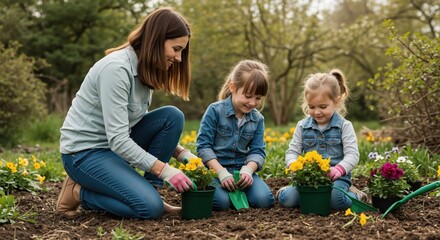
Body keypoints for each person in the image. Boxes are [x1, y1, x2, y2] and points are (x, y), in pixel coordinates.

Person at [55, 7, 198, 219]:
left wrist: (183, 154)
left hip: (112, 148)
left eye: (181, 52)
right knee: (148, 209)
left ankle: (150, 192)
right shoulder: (117, 69)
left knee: (172, 117)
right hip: (84, 153)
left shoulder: (145, 69)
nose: (178, 58)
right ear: (156, 41)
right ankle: (78, 192)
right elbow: (119, 140)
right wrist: (166, 170)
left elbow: (138, 122)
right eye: (176, 49)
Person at [277, 69, 367, 210]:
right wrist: (293, 164)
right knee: (287, 200)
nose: (317, 112)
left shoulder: (344, 126)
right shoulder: (302, 126)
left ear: (336, 101)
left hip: (336, 178)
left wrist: (339, 169)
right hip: (309, 177)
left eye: (323, 107)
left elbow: (353, 155)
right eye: (311, 107)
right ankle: (294, 191)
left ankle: (356, 195)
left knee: (336, 202)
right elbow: (292, 151)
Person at [196, 60, 275, 210]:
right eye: (248, 95)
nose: (252, 102)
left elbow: (258, 151)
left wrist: (248, 170)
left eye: (258, 98)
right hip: (216, 170)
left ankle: (241, 192)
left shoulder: (257, 119)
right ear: (233, 87)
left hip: (241, 171)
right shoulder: (215, 111)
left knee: (264, 201)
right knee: (221, 203)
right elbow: (203, 147)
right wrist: (221, 172)